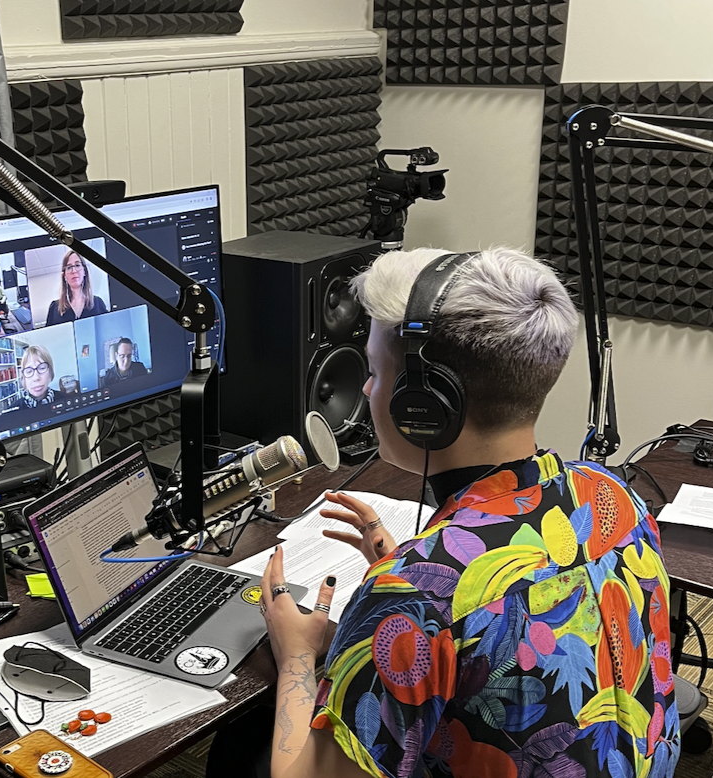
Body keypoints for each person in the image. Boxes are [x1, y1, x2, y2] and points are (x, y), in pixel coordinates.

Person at [208, 248, 677, 778]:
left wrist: (295, 654)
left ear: (425, 405)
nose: (365, 389)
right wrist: (421, 564)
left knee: (239, 751)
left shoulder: (414, 596)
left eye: (375, 371)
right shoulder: (614, 496)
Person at [46, 250, 108, 325]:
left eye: (77, 265)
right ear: (64, 276)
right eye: (69, 267)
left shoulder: (98, 302)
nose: (74, 271)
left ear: (84, 271)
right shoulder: (54, 307)